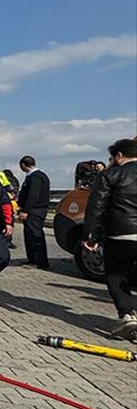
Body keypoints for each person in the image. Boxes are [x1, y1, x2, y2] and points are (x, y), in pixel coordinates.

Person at [83, 138, 137, 340]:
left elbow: (96, 207)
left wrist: (91, 235)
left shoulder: (110, 174)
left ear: (119, 155)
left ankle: (127, 316)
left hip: (121, 233)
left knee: (116, 275)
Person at [16, 155, 51, 270]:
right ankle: (32, 258)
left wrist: (25, 210)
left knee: (35, 235)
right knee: (29, 235)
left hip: (35, 210)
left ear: (22, 165)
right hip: (35, 209)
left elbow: (33, 195)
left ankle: (40, 261)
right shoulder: (37, 176)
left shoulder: (35, 177)